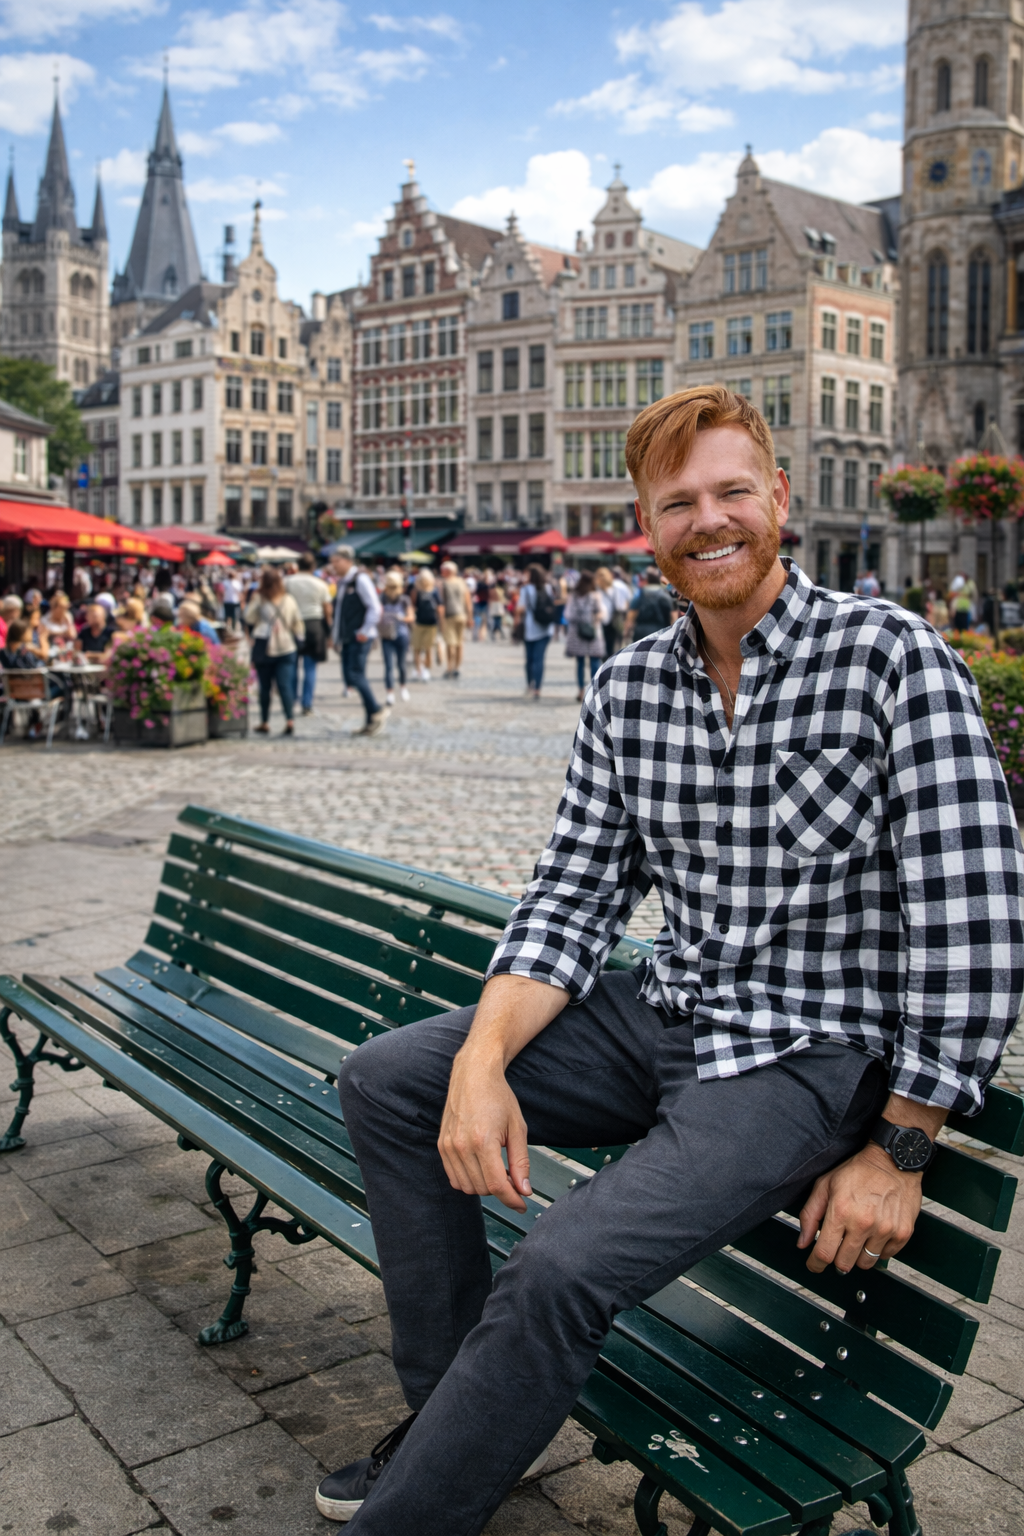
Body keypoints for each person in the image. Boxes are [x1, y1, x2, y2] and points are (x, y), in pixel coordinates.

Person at [313, 383, 1024, 1535]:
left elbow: (975, 916)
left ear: (777, 498)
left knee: (558, 1267)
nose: (709, 520)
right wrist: (484, 1060)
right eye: (677, 502)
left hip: (806, 1054)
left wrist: (902, 1145)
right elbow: (569, 896)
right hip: (665, 1011)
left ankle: (412, 1510)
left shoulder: (889, 657)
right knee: (393, 1082)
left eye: (732, 490)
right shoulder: (628, 686)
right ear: (646, 529)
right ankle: (444, 1427)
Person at [331, 547, 387, 736]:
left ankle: (376, 711)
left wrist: (364, 630)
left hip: (359, 636)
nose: (333, 566)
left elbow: (375, 607)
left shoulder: (360, 579)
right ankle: (371, 717)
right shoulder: (343, 582)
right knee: (350, 677)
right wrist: (335, 636)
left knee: (355, 675)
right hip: (348, 636)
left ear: (347, 561)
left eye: (336, 562)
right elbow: (339, 611)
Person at [244, 567, 304, 737]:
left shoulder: (259, 598)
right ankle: (289, 720)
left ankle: (264, 721)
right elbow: (298, 623)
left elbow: (248, 617)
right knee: (285, 685)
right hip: (287, 646)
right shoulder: (289, 599)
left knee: (265, 687)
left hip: (264, 645)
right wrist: (299, 638)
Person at [286, 553, 333, 716]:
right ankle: (307, 704)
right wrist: (328, 631)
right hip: (314, 624)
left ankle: (290, 700)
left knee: (291, 665)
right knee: (310, 667)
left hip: (292, 624)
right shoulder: (320, 584)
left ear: (297, 566)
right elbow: (327, 608)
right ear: (313, 567)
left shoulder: (288, 582)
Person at [515, 564, 557, 699]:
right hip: (545, 628)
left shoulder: (526, 589)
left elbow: (520, 608)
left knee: (529, 659)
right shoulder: (548, 587)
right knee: (540, 659)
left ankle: (530, 685)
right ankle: (538, 689)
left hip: (530, 629)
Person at [563, 570, 606, 701]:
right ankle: (593, 690)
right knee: (594, 661)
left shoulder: (573, 596)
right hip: (592, 632)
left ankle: (581, 690)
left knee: (580, 662)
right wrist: (593, 618)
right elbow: (601, 613)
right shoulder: (595, 596)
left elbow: (567, 615)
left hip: (577, 633)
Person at [379, 571, 413, 706]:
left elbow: (411, 617)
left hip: (401, 634)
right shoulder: (382, 598)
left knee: (400, 664)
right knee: (389, 666)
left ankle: (402, 688)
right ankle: (390, 693)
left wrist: (401, 618)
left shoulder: (404, 599)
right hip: (387, 635)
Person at [438, 560, 473, 679]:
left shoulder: (444, 583)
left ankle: (449, 668)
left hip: (450, 616)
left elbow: (442, 603)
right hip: (461, 615)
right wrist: (470, 617)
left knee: (450, 644)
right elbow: (468, 601)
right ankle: (457, 668)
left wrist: (441, 620)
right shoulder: (462, 582)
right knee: (459, 644)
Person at [628, 566, 676, 642]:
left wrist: (627, 631)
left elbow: (632, 615)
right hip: (661, 632)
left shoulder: (640, 594)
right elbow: (673, 617)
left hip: (641, 632)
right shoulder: (666, 595)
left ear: (646, 580)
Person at [411, 570, 440, 682]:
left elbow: (439, 607)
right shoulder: (417, 591)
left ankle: (423, 669)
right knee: (420, 648)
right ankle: (420, 669)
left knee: (423, 648)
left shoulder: (433, 591)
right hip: (422, 623)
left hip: (427, 623)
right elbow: (413, 606)